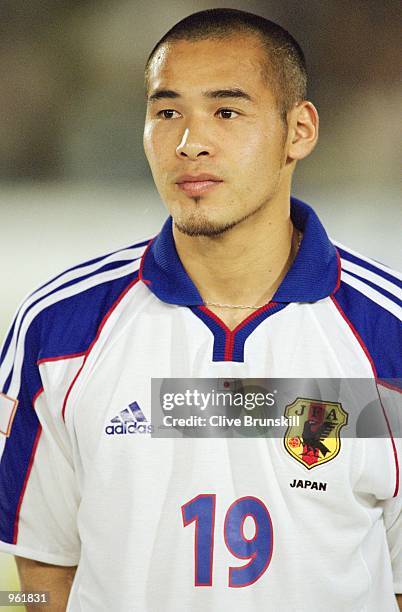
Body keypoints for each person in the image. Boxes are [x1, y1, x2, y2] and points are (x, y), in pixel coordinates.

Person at [0, 8, 401, 612]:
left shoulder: (388, 336)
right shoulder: (59, 329)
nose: (190, 142)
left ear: (299, 130)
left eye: (227, 111)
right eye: (167, 113)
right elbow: (35, 571)